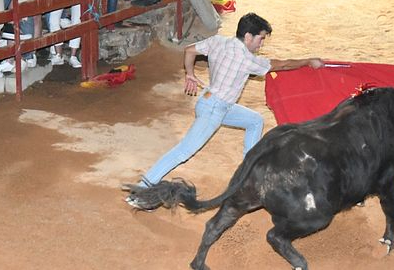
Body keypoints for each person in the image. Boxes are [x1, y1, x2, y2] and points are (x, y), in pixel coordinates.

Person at [127, 12, 324, 198]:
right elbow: (283, 65)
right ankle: (143, 187)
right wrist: (307, 61)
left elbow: (189, 50)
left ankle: (248, 172)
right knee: (183, 151)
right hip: (214, 110)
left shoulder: (218, 41)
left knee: (255, 120)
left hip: (213, 103)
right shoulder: (246, 59)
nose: (261, 43)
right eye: (261, 38)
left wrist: (190, 74)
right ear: (248, 36)